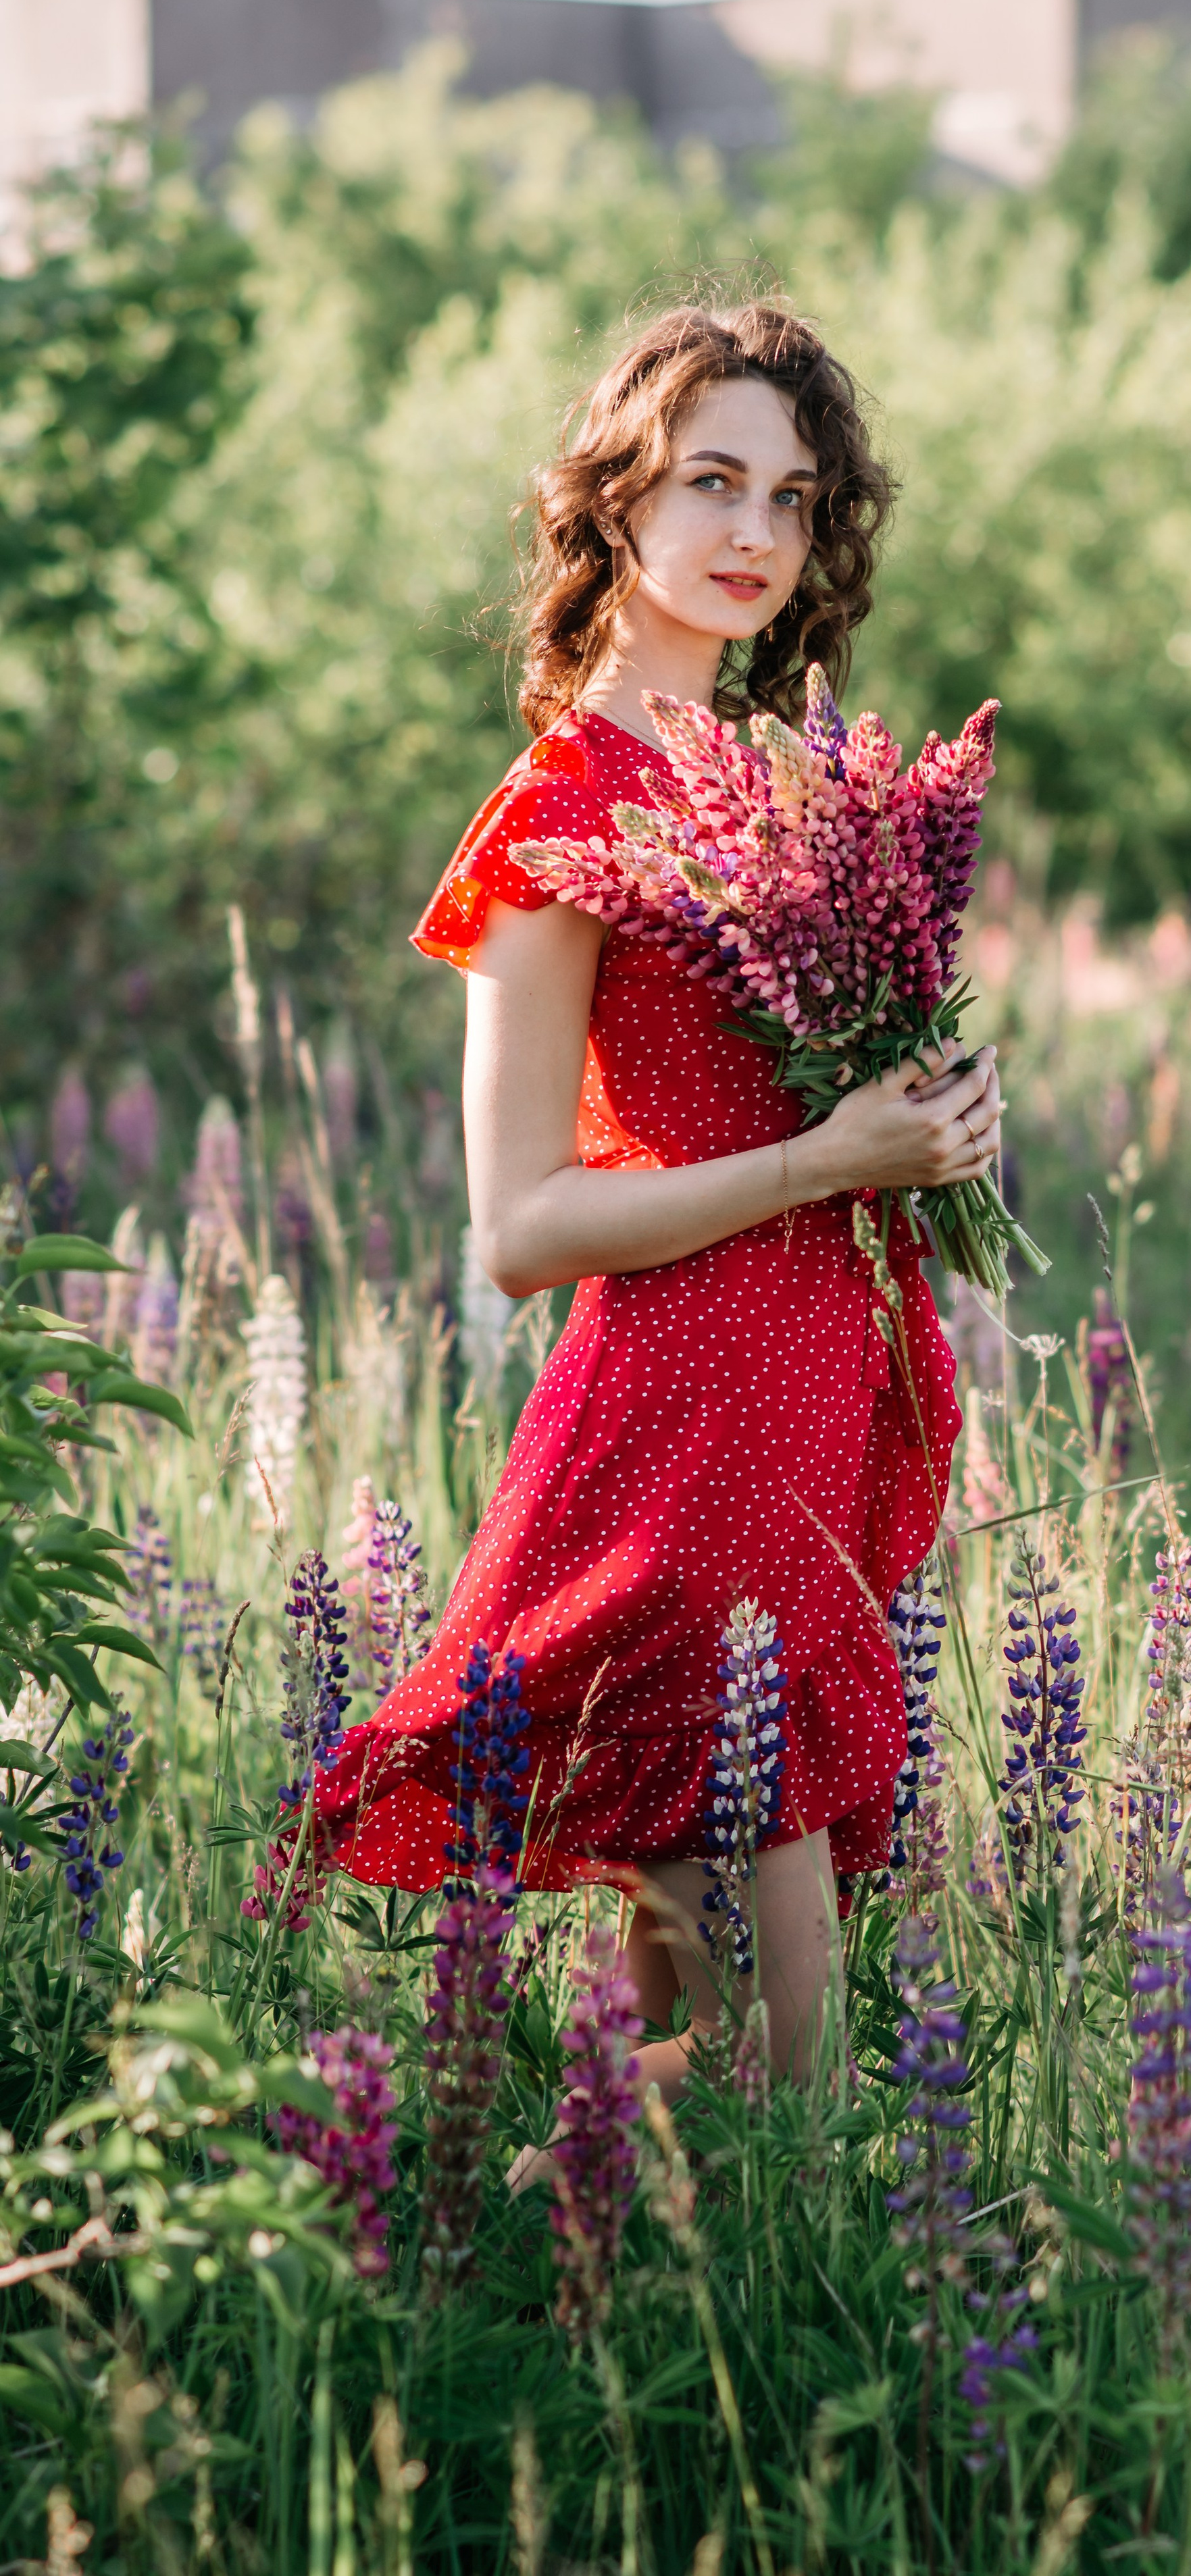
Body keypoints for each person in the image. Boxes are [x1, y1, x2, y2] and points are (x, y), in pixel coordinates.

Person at [311, 300, 1003, 2120]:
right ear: (613, 505)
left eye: (791, 492)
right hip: (679, 1449)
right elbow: (520, 1227)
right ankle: (395, 2222)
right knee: (786, 2078)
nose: (756, 529)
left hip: (799, 1425)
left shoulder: (771, 791)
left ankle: (565, 2346)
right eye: (709, 480)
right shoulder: (556, 811)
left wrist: (926, 1126)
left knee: (697, 2061)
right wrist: (826, 1160)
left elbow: (817, 1114)